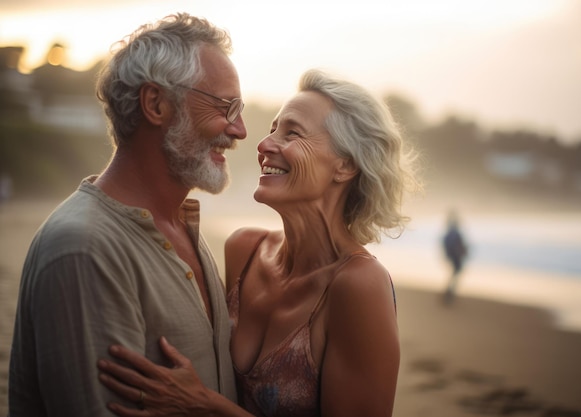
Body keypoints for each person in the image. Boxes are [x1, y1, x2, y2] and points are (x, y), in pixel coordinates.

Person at [96, 69, 420, 417]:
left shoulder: (358, 284)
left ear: (345, 165)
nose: (264, 145)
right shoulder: (244, 250)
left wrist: (207, 407)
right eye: (271, 131)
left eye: (292, 133)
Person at [8, 13, 247, 416]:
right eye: (226, 106)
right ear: (155, 103)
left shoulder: (181, 227)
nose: (239, 129)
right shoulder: (84, 248)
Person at [441, 210, 468, 305]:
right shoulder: (455, 232)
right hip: (456, 256)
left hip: (452, 255)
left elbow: (445, 243)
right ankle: (449, 293)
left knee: (454, 274)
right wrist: (462, 252)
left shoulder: (449, 231)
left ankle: (449, 293)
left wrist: (447, 255)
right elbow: (459, 244)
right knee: (455, 274)